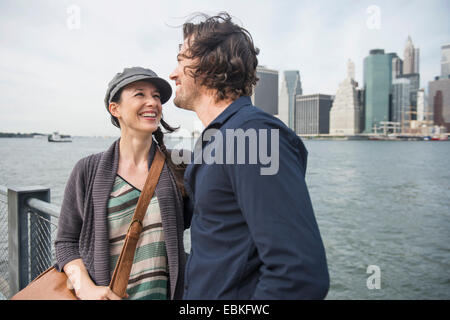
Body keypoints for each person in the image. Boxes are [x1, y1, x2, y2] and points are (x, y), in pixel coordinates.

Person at [169, 13, 330, 299]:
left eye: (181, 60)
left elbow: (299, 274)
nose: (172, 74)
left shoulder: (252, 135)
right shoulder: (216, 139)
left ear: (209, 64)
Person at [55, 67, 189, 300]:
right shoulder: (87, 170)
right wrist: (85, 288)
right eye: (140, 94)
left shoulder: (180, 165)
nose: (152, 103)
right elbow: (66, 242)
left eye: (156, 97)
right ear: (114, 108)